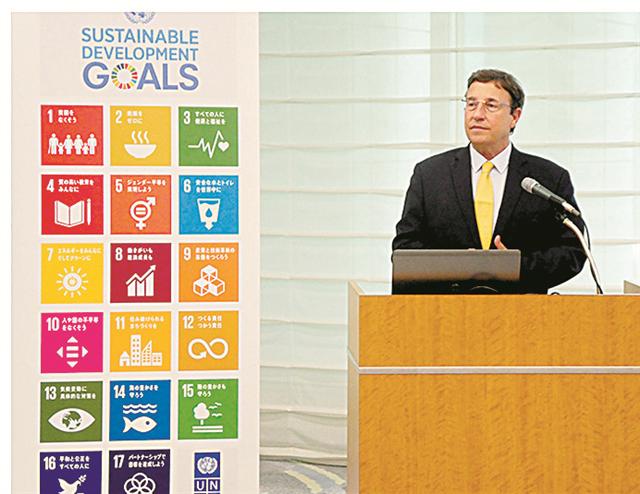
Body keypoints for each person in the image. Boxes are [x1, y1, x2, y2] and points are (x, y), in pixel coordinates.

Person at [393, 69, 586, 293]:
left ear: (515, 116)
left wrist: (515, 267)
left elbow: (572, 251)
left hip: (521, 308)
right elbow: (405, 249)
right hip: (447, 308)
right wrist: (457, 266)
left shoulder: (547, 178)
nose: (477, 114)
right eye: (471, 104)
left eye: (490, 105)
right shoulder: (430, 175)